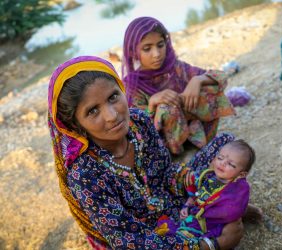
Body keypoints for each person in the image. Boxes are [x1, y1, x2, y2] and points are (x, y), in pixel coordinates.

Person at [47, 55, 244, 249]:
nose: (112, 115)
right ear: (75, 125)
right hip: (145, 234)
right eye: (92, 111)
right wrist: (211, 245)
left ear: (122, 89)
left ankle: (216, 206)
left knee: (227, 146)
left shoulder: (138, 122)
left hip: (174, 202)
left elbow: (166, 174)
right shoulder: (84, 174)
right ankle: (216, 216)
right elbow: (129, 241)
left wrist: (204, 188)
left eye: (113, 97)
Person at [121, 16, 235, 155]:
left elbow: (221, 76)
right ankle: (179, 156)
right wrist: (152, 104)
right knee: (166, 107)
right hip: (162, 145)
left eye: (160, 45)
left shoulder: (176, 68)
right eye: (147, 49)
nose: (156, 54)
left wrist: (197, 80)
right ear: (133, 52)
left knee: (208, 87)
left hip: (194, 130)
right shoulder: (132, 85)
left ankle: (200, 145)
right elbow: (135, 126)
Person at [156, 139, 255, 242]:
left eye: (231, 164)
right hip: (194, 215)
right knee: (165, 228)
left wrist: (195, 212)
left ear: (241, 174)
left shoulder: (233, 193)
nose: (222, 163)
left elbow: (227, 212)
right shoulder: (210, 176)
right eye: (220, 158)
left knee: (180, 239)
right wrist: (188, 205)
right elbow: (197, 192)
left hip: (206, 225)